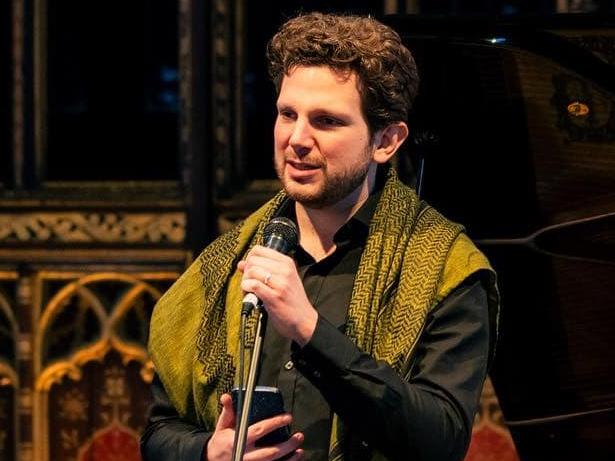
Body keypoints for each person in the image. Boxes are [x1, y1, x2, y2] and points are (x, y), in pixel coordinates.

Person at [141, 11, 498, 461]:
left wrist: (310, 330)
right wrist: (207, 452)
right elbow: (158, 432)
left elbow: (439, 441)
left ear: (386, 141)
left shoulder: (446, 269)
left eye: (327, 121)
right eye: (288, 114)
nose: (297, 139)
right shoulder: (226, 262)